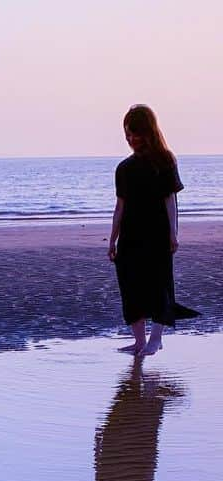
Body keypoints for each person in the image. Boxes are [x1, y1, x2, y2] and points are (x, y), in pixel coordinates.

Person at [108, 104, 199, 357]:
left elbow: (170, 200)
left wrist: (173, 233)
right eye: (127, 134)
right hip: (130, 236)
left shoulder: (165, 161)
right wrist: (112, 240)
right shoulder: (123, 168)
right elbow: (120, 207)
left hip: (157, 234)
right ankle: (139, 341)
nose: (131, 139)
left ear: (149, 132)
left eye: (136, 133)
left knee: (159, 286)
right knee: (130, 286)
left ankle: (156, 340)